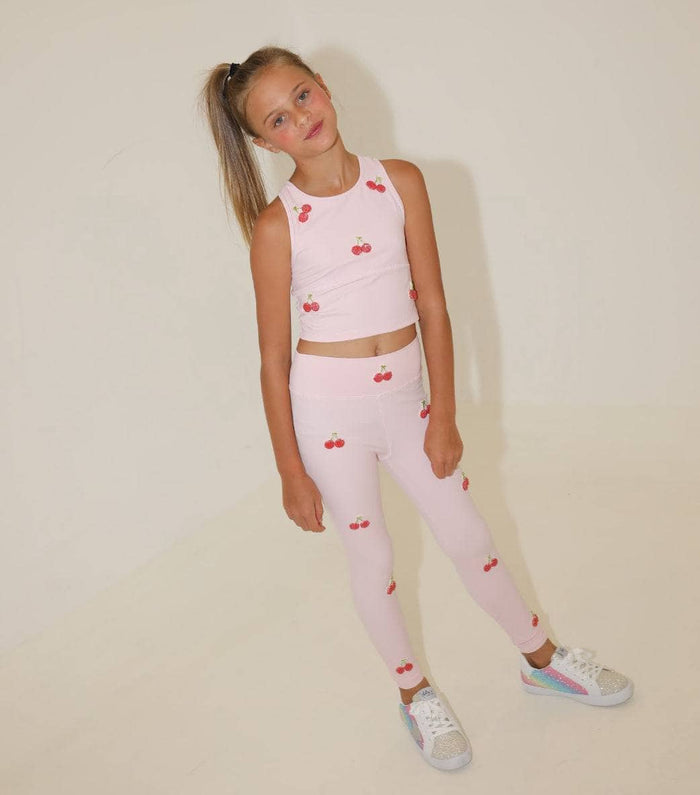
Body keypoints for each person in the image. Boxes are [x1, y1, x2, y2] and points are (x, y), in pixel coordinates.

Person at [199, 45, 634, 771]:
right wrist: (289, 469)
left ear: (325, 89)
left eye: (303, 96)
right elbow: (273, 360)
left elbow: (433, 303)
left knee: (467, 534)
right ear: (264, 141)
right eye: (278, 117)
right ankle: (414, 692)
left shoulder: (398, 183)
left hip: (406, 403)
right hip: (328, 416)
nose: (300, 118)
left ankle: (541, 657)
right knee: (373, 559)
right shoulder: (278, 229)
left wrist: (444, 412)